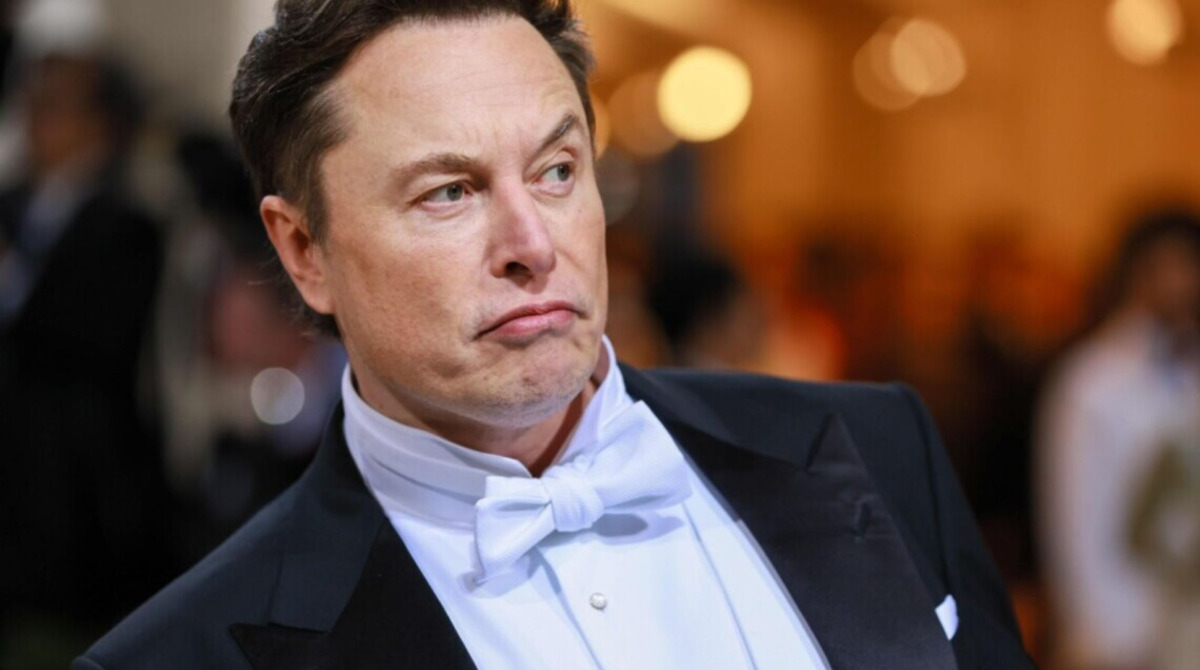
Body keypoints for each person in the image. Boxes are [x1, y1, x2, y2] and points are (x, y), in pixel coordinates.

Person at [74, 1, 1034, 668]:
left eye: (558, 171)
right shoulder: (183, 655)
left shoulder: (877, 445)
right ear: (303, 251)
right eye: (449, 192)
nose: (533, 244)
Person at [1038, 207, 1200, 670]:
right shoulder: (1091, 378)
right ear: (1134, 274)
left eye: (1189, 266)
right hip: (1124, 634)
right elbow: (1075, 514)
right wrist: (1105, 634)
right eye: (1165, 267)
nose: (1180, 282)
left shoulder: (1190, 364)